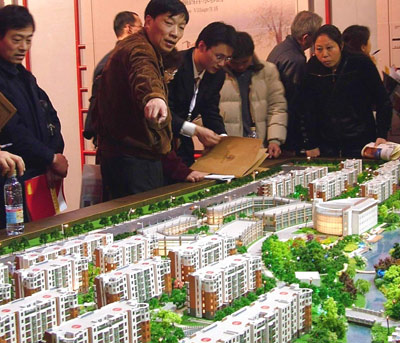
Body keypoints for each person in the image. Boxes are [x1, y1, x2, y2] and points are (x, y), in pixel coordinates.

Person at [94, 0, 189, 200]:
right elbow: (144, 72)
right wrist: (154, 97)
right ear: (148, 21)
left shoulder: (148, 48)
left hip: (133, 159)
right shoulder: (139, 48)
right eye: (169, 23)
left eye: (181, 27)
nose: (175, 33)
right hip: (132, 163)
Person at [0, 5, 67, 227]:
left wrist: (55, 153)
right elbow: (13, 130)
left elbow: (49, 115)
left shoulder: (23, 75)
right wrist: (49, 158)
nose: (23, 47)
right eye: (17, 39)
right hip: (12, 177)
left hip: (38, 173)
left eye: (28, 40)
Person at [300, 24, 392, 158]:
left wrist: (382, 135)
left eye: (330, 48)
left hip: (361, 141)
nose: (324, 55)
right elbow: (306, 108)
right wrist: (310, 143)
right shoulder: (312, 67)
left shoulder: (360, 63)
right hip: (327, 144)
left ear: (340, 46)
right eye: (319, 49)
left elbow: (382, 101)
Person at [168, 21, 237, 166]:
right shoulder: (174, 65)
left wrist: (222, 139)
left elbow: (210, 110)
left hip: (183, 145)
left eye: (227, 58)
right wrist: (196, 130)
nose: (222, 63)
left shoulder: (217, 75)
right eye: (219, 57)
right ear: (201, 46)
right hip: (160, 145)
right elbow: (166, 113)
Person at [219, 32, 287, 158]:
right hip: (228, 150)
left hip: (261, 149)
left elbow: (277, 107)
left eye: (244, 62)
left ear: (252, 55)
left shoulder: (268, 71)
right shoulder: (217, 74)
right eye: (234, 62)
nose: (240, 66)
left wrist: (275, 139)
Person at [267, 11, 322, 155]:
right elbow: (295, 103)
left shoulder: (281, 48)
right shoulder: (296, 60)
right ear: (306, 37)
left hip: (275, 125)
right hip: (286, 134)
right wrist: (307, 142)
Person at [83, 11, 143, 142]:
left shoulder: (111, 59)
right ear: (129, 28)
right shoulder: (116, 62)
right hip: (118, 142)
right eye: (140, 27)